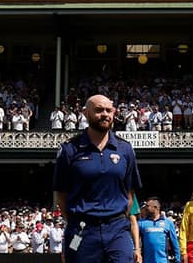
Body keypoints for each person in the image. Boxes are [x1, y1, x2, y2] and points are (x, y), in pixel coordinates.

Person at [53, 94, 143, 263]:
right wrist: (79, 221)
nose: (105, 114)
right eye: (99, 110)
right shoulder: (69, 150)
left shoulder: (125, 149)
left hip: (117, 229)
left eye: (109, 110)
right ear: (86, 113)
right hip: (82, 230)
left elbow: (129, 194)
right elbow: (62, 196)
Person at [138, 196, 182, 263]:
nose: (146, 208)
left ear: (155, 208)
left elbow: (174, 242)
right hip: (147, 261)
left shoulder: (168, 222)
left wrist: (177, 259)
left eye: (148, 206)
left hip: (163, 260)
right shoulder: (141, 223)